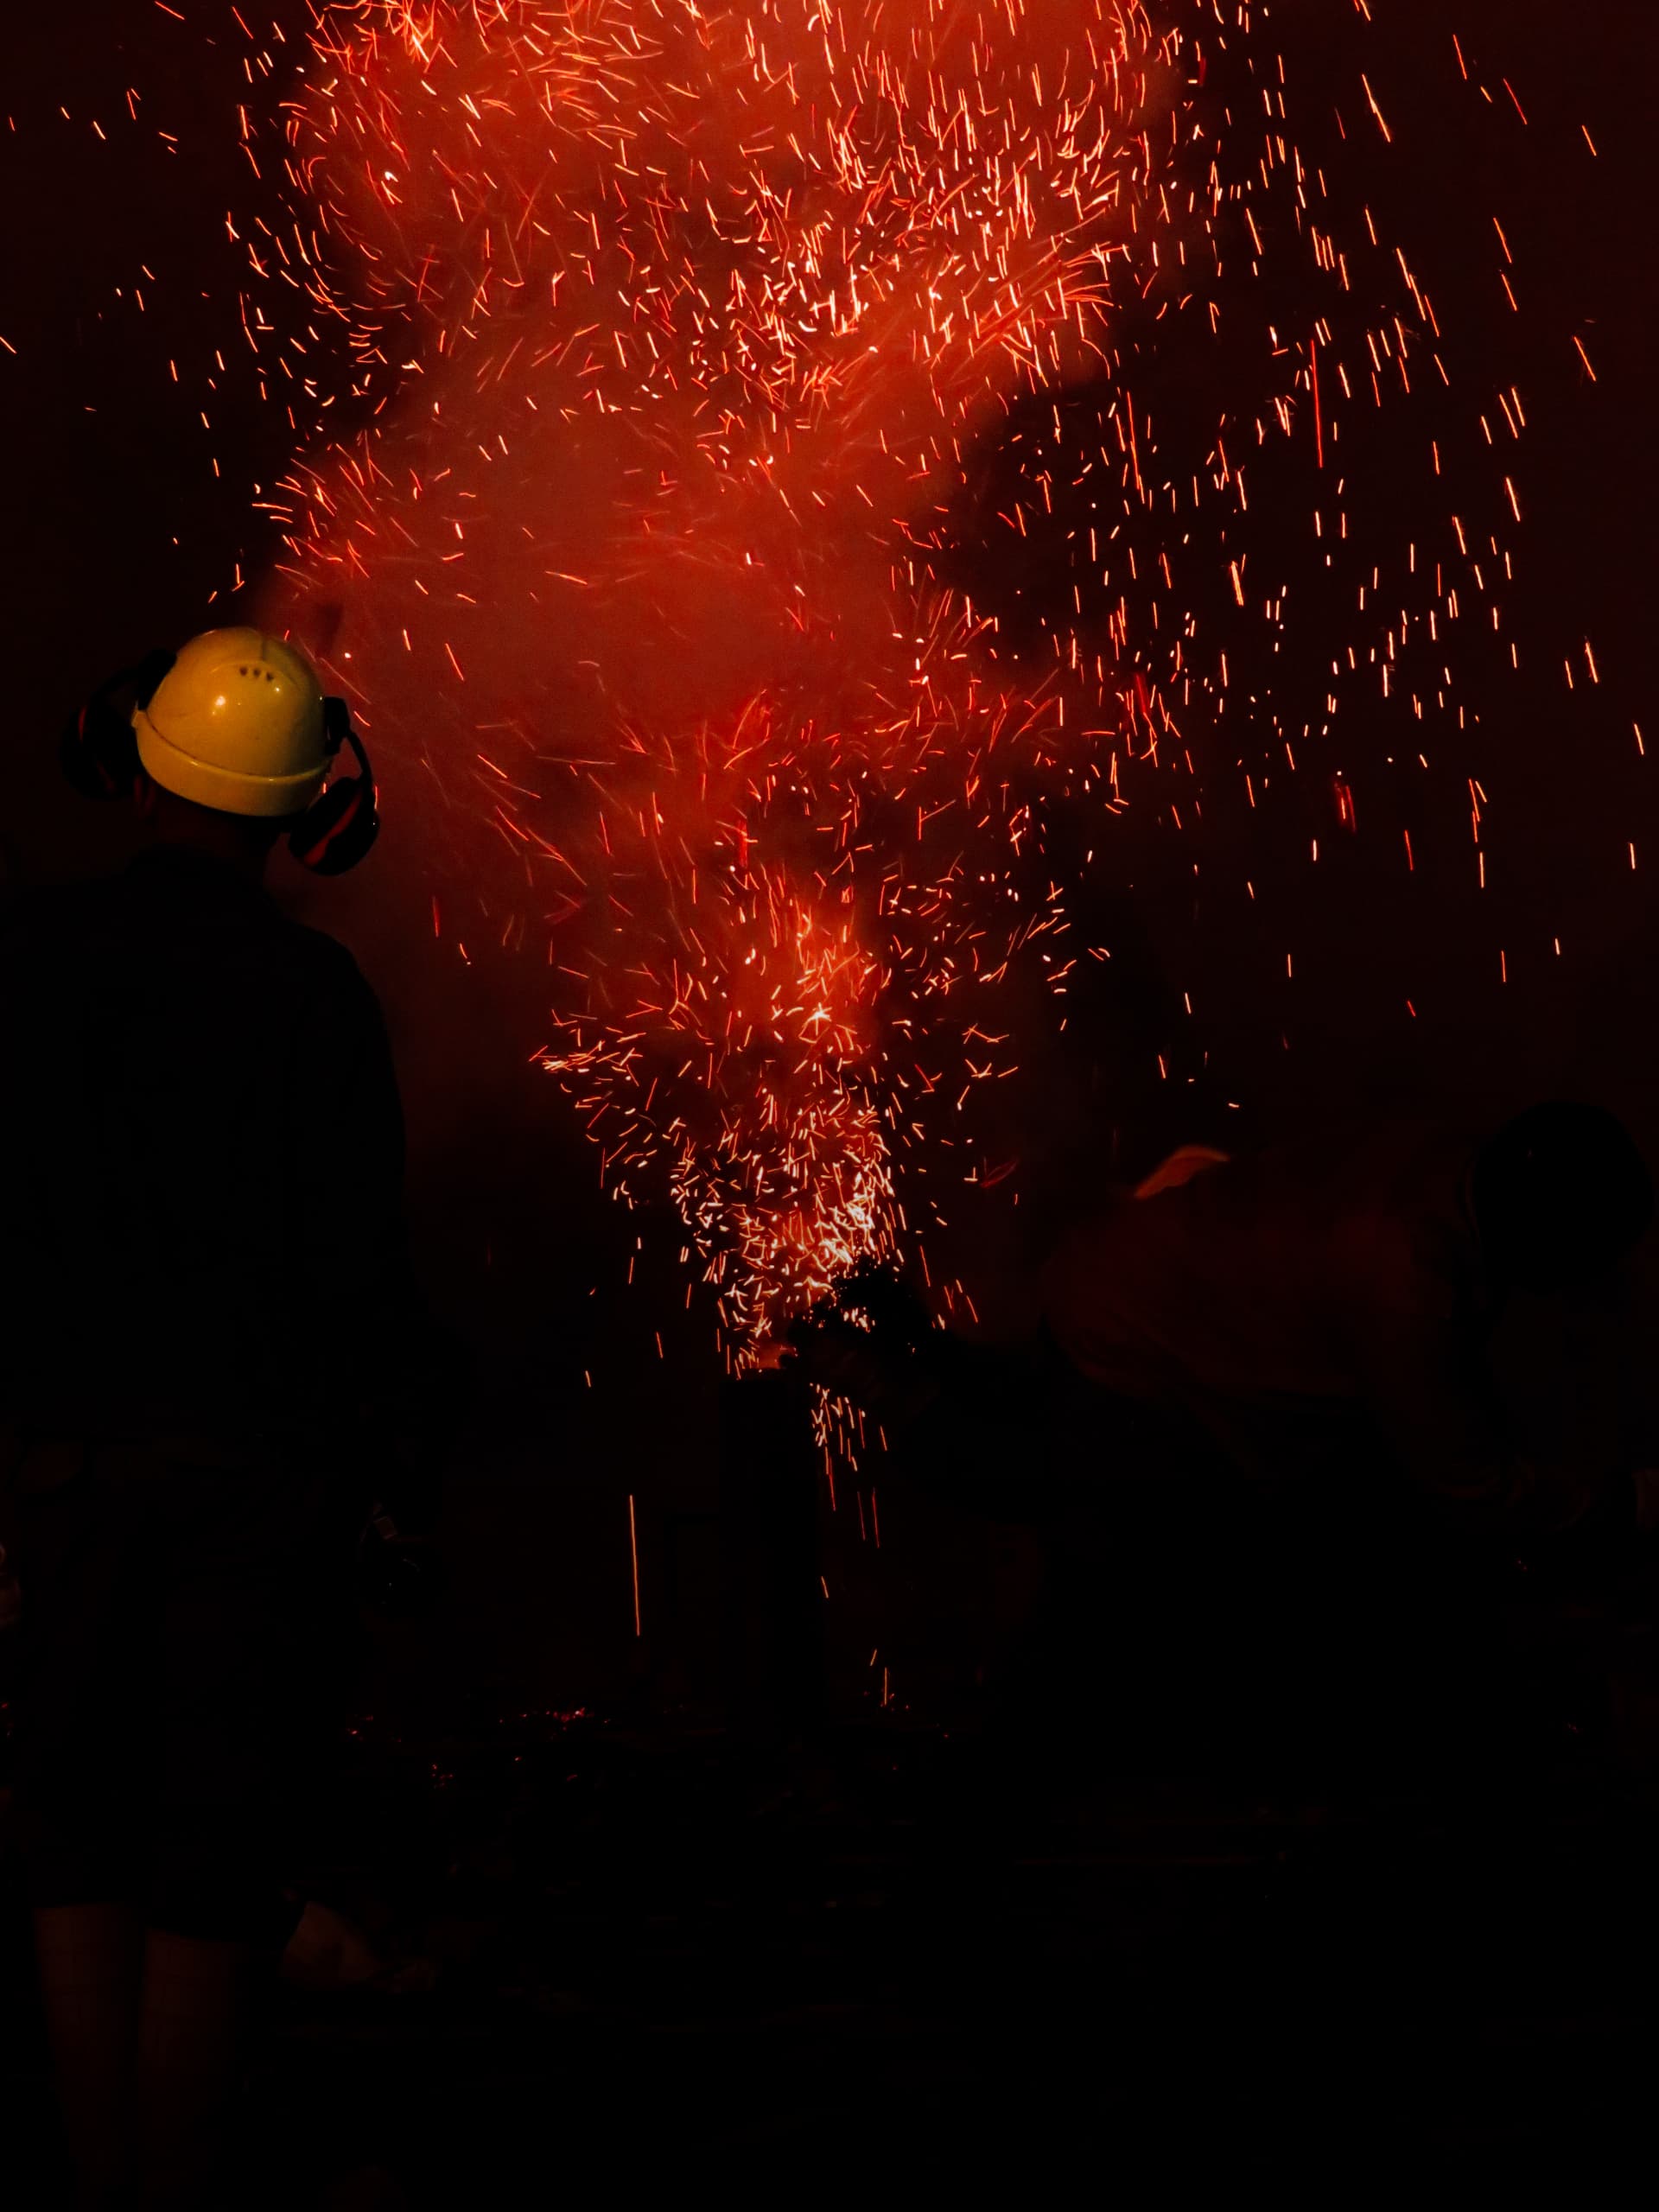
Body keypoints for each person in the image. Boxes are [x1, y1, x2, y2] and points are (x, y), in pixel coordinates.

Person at [0, 628, 423, 2208]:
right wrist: (396, 1480)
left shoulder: (28, 957)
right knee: (215, 1834)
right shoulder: (314, 995)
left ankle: (98, 2179)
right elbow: (360, 1268)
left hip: (63, 1455)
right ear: (315, 806)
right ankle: (169, 2202)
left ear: (136, 762)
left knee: (75, 1817)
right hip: (253, 1474)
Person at [1040, 1106, 1658, 1542]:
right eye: (1581, 1261)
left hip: (1119, 1259)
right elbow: (1470, 1489)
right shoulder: (1405, 1285)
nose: (1581, 1282)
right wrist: (1626, 1506)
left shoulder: (1458, 1160)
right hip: (1117, 1344)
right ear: (1544, 1246)